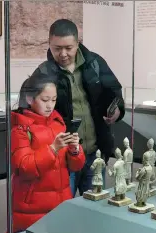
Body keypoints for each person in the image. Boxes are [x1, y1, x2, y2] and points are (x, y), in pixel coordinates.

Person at [31, 19, 125, 196]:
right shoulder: (43, 73)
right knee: (64, 209)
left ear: (77, 43)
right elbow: (32, 113)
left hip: (95, 151)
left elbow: (114, 91)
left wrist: (117, 109)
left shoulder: (95, 63)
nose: (63, 54)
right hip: (64, 157)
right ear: (49, 44)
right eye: (57, 48)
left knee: (94, 209)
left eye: (69, 48)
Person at [10, 73, 86, 232]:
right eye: (45, 100)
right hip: (33, 205)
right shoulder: (20, 129)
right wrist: (53, 149)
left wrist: (74, 150)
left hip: (60, 200)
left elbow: (75, 166)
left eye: (54, 100)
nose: (50, 105)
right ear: (30, 99)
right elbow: (24, 167)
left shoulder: (58, 123)